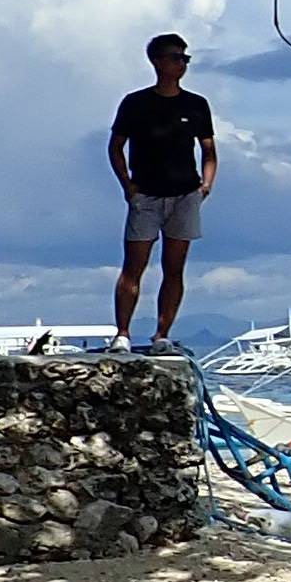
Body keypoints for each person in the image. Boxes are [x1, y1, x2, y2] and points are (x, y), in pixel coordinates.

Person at [110, 33, 216, 347]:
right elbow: (116, 146)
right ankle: (123, 333)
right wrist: (127, 186)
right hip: (146, 194)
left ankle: (162, 334)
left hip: (185, 194)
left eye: (185, 58)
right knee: (134, 266)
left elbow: (208, 150)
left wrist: (206, 186)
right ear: (157, 61)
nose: (182, 64)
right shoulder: (136, 103)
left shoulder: (196, 105)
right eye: (176, 57)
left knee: (174, 268)